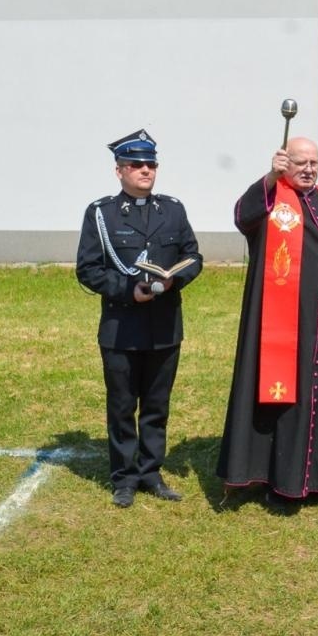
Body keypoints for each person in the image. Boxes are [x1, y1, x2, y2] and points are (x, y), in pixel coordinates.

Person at [217, 136, 318, 503]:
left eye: (313, 163)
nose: (308, 169)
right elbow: (242, 215)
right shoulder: (272, 198)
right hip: (286, 326)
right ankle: (280, 481)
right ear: (285, 164)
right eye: (300, 162)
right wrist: (271, 177)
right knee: (287, 399)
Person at [75, 129, 202, 508]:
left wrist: (173, 279)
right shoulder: (101, 214)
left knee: (157, 405)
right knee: (121, 405)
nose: (146, 170)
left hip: (164, 325)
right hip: (121, 326)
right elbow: (88, 269)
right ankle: (124, 479)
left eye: (151, 164)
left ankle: (151, 472)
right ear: (119, 171)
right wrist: (128, 290)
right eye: (137, 164)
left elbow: (193, 256)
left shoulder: (173, 210)